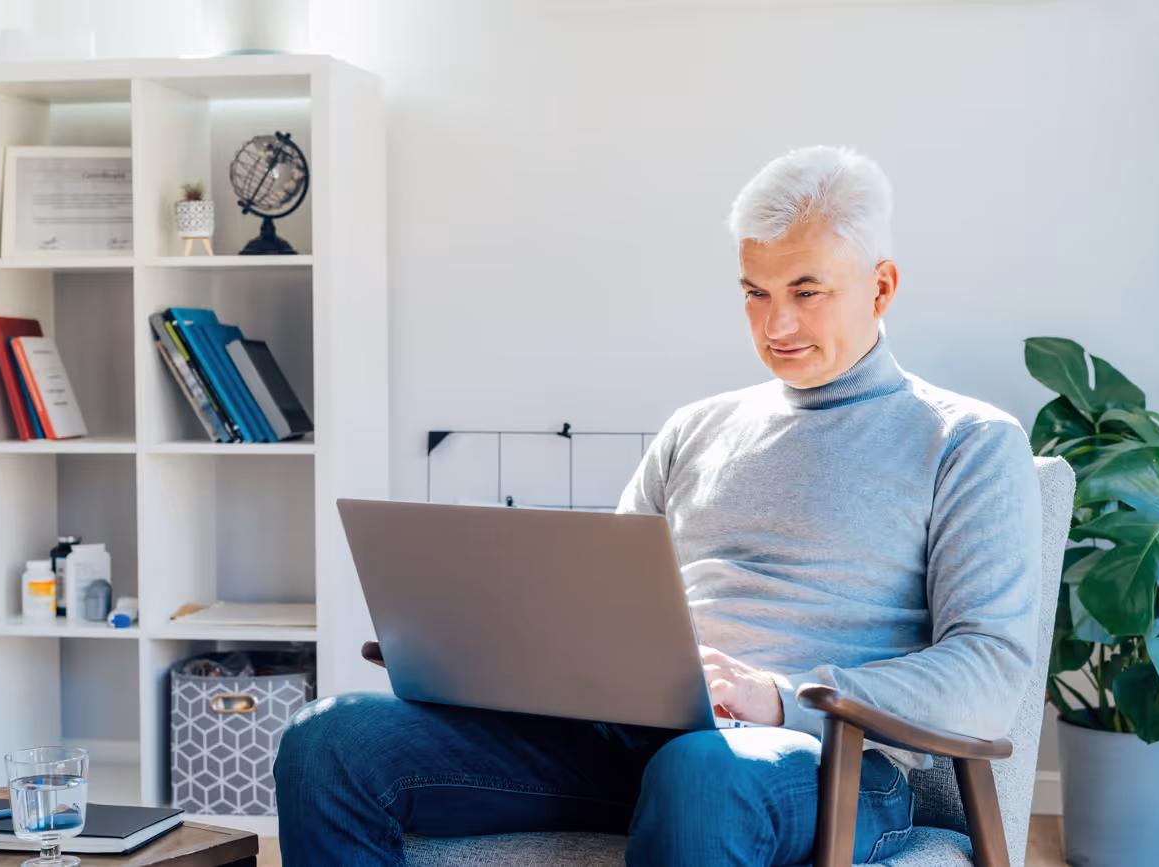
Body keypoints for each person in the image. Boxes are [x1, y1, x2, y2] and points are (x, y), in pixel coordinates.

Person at [274, 146, 1042, 867]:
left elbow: (991, 672)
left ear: (881, 287)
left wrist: (777, 695)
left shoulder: (965, 440)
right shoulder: (697, 428)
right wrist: (483, 650)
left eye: (807, 291)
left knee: (702, 769)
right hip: (630, 741)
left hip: (829, 764)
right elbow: (601, 608)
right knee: (330, 739)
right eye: (756, 293)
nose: (776, 324)